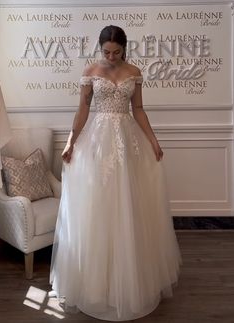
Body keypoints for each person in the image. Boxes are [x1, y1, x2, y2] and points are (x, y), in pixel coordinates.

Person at [50, 25, 181, 321]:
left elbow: (139, 109)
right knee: (98, 207)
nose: (110, 57)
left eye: (116, 52)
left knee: (129, 206)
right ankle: (97, 285)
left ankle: (130, 282)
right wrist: (71, 141)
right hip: (97, 142)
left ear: (124, 49)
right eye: (106, 51)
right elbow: (82, 110)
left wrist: (153, 140)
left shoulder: (134, 71)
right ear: (99, 48)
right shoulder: (91, 70)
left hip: (128, 140)